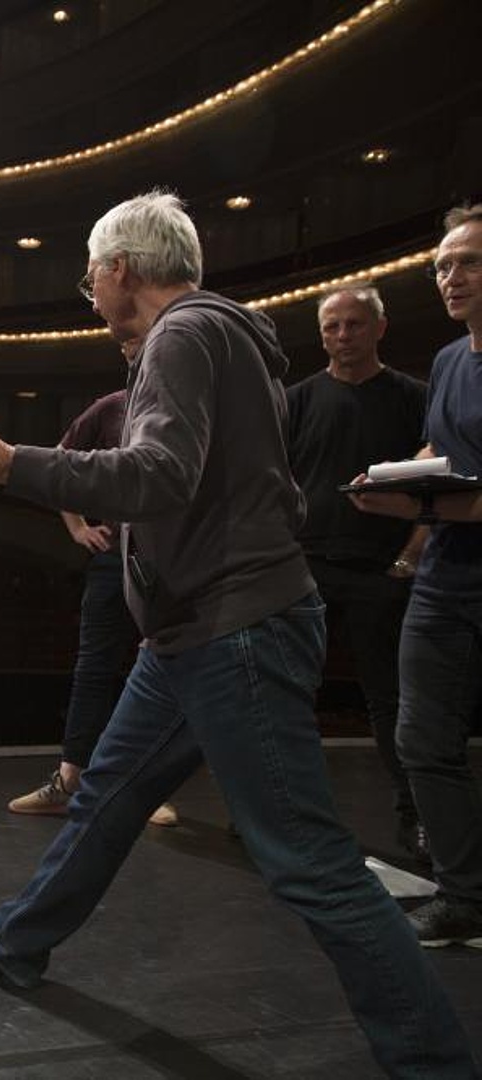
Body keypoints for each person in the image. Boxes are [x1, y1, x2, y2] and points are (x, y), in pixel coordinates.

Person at [0, 190, 477, 1076]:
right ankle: (15, 940)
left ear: (121, 266)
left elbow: (159, 475)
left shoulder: (181, 337)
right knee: (109, 795)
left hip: (231, 631)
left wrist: (15, 466)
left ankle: (435, 1060)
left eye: (90, 272)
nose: (88, 288)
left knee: (307, 861)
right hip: (196, 630)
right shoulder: (229, 335)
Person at [350, 203, 482, 949]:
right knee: (422, 739)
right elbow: (442, 446)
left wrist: (428, 503)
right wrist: (397, 486)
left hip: (462, 547)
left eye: (467, 262)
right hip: (446, 574)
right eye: (441, 265)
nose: (449, 277)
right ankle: (465, 894)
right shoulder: (449, 360)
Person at [8, 337, 177, 828]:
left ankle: (143, 787)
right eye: (130, 347)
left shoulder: (182, 407)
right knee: (95, 667)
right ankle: (69, 780)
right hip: (114, 559)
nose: (137, 352)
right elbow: (60, 464)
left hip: (172, 562)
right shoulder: (111, 408)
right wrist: (78, 527)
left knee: (159, 671)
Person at [287, 284, 428, 858]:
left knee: (390, 701)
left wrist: (408, 558)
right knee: (289, 696)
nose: (342, 336)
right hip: (304, 567)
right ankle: (279, 815)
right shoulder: (296, 399)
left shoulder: (414, 397)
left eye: (353, 325)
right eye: (331, 327)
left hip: (380, 569)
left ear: (379, 328)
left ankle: (416, 816)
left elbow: (439, 486)